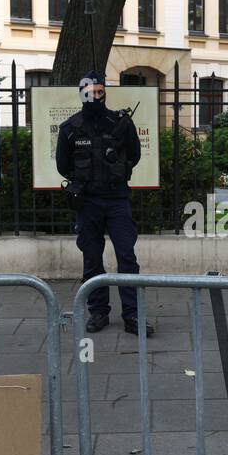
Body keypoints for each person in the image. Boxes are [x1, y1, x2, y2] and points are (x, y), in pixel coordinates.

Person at [56, 71, 153, 336]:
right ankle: (98, 312)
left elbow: (134, 154)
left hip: (117, 200)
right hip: (87, 202)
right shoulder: (70, 129)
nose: (95, 97)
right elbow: (63, 166)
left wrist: (117, 171)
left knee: (127, 257)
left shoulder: (120, 123)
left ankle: (132, 315)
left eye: (100, 92)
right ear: (81, 93)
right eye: (90, 93)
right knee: (92, 259)